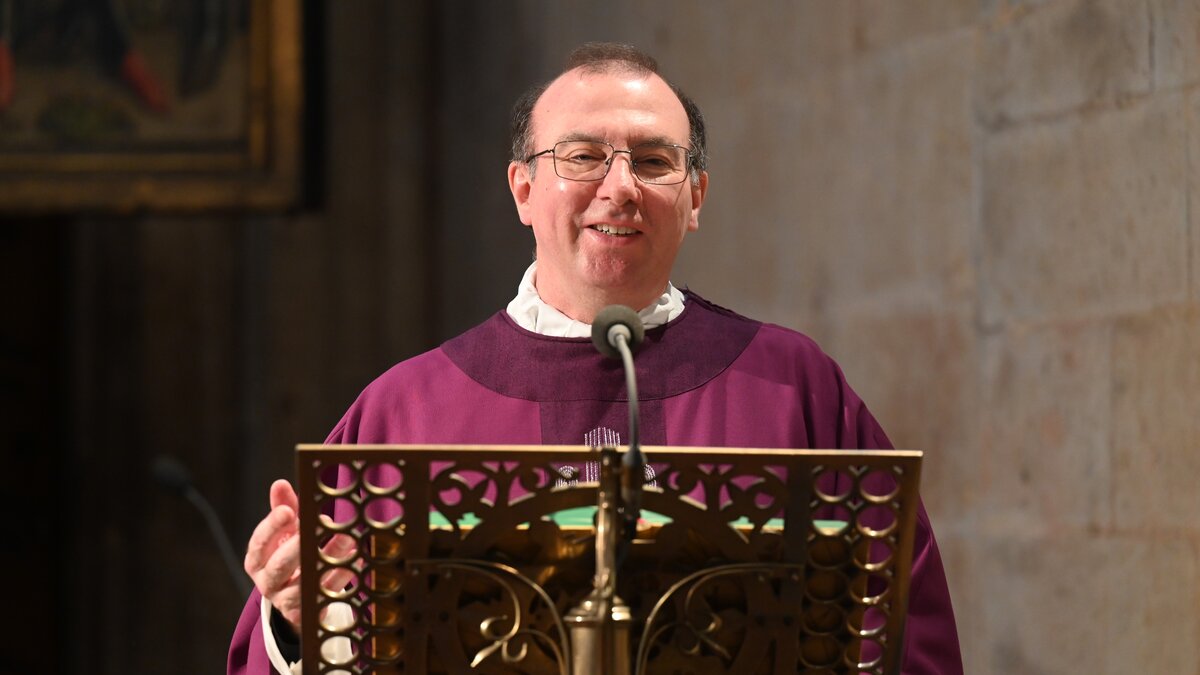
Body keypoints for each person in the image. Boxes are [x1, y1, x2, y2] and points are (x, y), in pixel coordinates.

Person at [228, 42, 963, 674]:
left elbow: (905, 629)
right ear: (523, 189)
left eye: (652, 160)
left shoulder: (792, 385)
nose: (619, 188)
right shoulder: (405, 407)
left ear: (696, 196)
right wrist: (294, 621)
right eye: (582, 156)